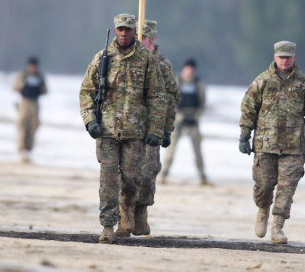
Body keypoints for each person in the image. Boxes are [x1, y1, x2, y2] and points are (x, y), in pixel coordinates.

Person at [79, 13, 165, 244]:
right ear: (115, 31)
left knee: (130, 179)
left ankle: (127, 211)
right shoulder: (103, 58)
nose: (124, 33)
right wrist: (90, 120)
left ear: (134, 31)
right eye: (120, 29)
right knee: (108, 180)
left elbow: (157, 96)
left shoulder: (146, 59)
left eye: (128, 29)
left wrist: (155, 130)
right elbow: (87, 91)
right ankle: (107, 225)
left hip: (134, 132)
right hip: (106, 131)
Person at [239, 41, 305, 244]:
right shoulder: (262, 81)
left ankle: (277, 228)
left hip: (293, 147)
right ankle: (262, 209)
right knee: (264, 185)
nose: (284, 61)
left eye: (288, 57)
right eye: (281, 57)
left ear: (294, 58)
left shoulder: (304, 84)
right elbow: (248, 109)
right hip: (265, 144)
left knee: (287, 189)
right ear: (275, 57)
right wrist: (244, 136)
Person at [123, 19, 179, 237]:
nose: (141, 42)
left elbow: (172, 97)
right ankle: (124, 213)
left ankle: (141, 212)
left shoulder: (162, 64)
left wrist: (167, 128)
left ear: (153, 39)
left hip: (151, 129)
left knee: (148, 172)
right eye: (138, 38)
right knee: (127, 173)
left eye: (145, 38)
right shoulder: (128, 60)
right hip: (128, 126)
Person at [160, 58, 210, 185]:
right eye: (188, 69)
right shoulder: (177, 81)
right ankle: (164, 175)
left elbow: (202, 102)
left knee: (198, 150)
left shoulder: (198, 83)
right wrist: (177, 116)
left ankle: (202, 176)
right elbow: (170, 100)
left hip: (193, 120)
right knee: (170, 150)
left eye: (192, 70)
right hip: (178, 120)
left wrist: (196, 116)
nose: (189, 72)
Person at [12, 56, 47, 163]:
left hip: (35, 103)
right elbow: (15, 87)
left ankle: (29, 149)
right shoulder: (23, 75)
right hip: (24, 102)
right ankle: (21, 149)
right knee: (22, 126)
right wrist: (24, 85)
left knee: (33, 126)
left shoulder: (40, 76)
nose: (33, 68)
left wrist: (38, 86)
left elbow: (45, 90)